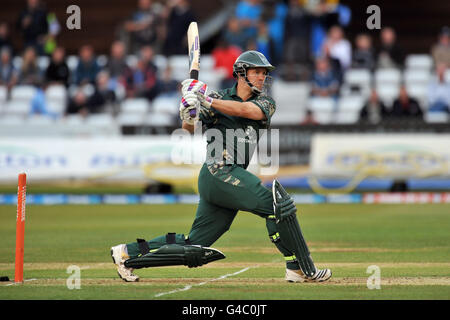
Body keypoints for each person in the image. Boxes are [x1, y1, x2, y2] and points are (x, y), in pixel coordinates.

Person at [110, 50, 332, 284]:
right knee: (277, 205)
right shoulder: (218, 97)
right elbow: (187, 128)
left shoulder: (264, 103)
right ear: (240, 74)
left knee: (194, 245)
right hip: (218, 172)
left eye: (264, 73)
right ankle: (298, 268)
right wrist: (188, 107)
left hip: (227, 178)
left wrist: (206, 99)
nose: (261, 77)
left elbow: (245, 111)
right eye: (256, 72)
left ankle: (126, 254)